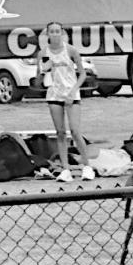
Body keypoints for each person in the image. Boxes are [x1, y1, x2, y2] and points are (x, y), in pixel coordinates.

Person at [40, 21, 94, 182]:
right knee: (60, 132)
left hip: (71, 93)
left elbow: (82, 73)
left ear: (62, 33)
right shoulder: (44, 52)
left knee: (75, 131)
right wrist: (45, 66)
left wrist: (73, 91)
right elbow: (43, 70)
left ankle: (87, 166)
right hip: (54, 94)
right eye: (52, 32)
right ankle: (65, 169)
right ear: (48, 34)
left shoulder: (70, 50)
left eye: (58, 31)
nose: (55, 34)